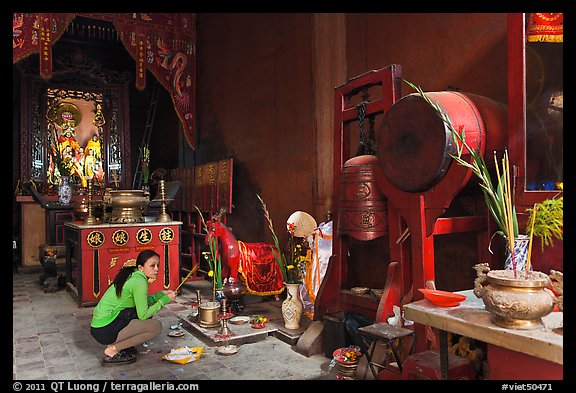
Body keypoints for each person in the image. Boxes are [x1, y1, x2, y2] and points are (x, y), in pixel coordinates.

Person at [90, 250, 176, 366]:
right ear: (141, 267)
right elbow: (143, 314)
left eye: (158, 265)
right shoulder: (139, 281)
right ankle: (113, 349)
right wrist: (164, 300)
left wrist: (159, 295)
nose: (156, 269)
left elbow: (142, 304)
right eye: (152, 265)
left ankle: (123, 345)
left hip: (100, 326)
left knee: (142, 313)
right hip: (104, 329)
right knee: (155, 327)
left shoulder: (133, 275)